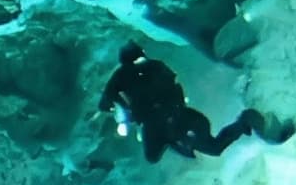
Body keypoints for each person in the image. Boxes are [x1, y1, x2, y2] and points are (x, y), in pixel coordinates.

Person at [101, 44, 285, 165]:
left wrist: (122, 106)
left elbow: (104, 103)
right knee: (213, 147)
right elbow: (175, 82)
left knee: (152, 156)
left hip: (156, 123)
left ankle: (176, 140)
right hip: (183, 115)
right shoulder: (155, 65)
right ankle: (244, 122)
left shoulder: (120, 76)